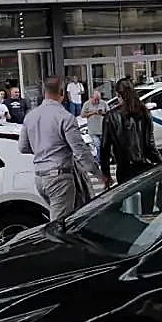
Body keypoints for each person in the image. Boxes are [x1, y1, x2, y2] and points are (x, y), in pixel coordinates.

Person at [19, 76, 104, 220]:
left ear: (44, 92)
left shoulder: (30, 117)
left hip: (40, 178)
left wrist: (43, 148)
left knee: (61, 220)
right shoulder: (65, 117)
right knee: (60, 226)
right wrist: (99, 174)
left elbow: (23, 147)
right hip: (59, 178)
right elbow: (80, 151)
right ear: (62, 92)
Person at [100, 79, 162, 207]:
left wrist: (105, 174)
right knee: (147, 207)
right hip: (146, 166)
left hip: (124, 168)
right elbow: (150, 144)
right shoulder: (144, 112)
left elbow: (105, 147)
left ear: (119, 95)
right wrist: (161, 163)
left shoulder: (111, 116)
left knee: (126, 206)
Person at [80, 88, 108, 161]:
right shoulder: (86, 104)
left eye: (99, 99)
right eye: (96, 99)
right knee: (97, 145)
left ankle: (101, 160)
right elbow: (82, 115)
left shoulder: (104, 103)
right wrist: (92, 112)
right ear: (91, 98)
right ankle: (99, 161)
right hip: (93, 130)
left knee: (103, 146)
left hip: (102, 129)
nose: (97, 101)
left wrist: (102, 113)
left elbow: (109, 113)